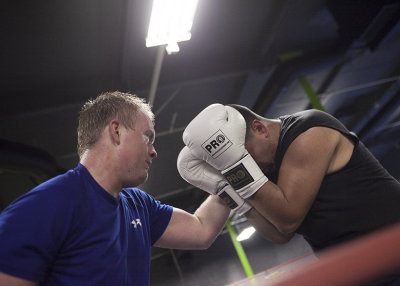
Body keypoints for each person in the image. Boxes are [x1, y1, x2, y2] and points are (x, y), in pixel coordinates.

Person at [0, 92, 233, 286]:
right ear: (117, 131)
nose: (154, 151)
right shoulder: (48, 204)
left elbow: (202, 231)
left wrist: (231, 172)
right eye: (147, 137)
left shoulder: (139, 204)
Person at [179, 103, 400, 285]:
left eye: (245, 155)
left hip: (391, 245)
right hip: (358, 272)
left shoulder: (309, 131)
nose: (249, 166)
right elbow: (279, 235)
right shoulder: (263, 170)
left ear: (260, 128)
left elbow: (288, 219)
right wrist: (229, 191)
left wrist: (237, 167)